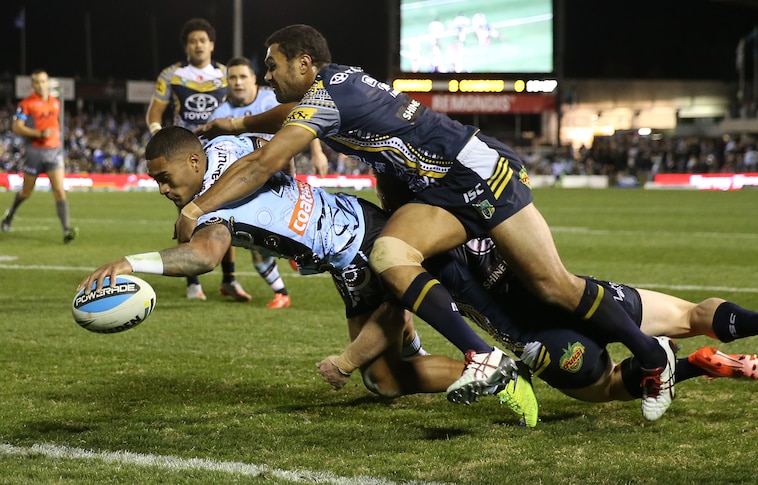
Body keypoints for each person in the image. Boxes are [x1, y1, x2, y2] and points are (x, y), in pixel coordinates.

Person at [183, 24, 676, 421]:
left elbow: (261, 164)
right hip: (443, 187)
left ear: (304, 63)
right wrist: (236, 123)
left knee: (553, 286)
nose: (268, 77)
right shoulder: (332, 85)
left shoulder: (326, 99)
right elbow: (286, 113)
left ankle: (651, 356)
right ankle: (480, 356)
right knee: (391, 252)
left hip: (475, 172)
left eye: (273, 66)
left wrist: (198, 207)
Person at [78, 126, 538, 426]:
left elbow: (204, 257)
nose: (161, 189)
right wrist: (294, 198)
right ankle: (455, 351)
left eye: (165, 177)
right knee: (385, 371)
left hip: (358, 247)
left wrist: (129, 263)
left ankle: (499, 368)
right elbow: (273, 148)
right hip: (348, 223)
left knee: (381, 377)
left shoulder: (209, 213)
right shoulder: (227, 148)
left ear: (194, 164)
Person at [423, 237, 758, 411]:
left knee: (601, 387)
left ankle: (695, 365)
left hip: (541, 336)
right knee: (690, 314)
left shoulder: (418, 241)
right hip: (582, 296)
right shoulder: (482, 200)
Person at [207, 56, 330, 309]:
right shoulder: (221, 113)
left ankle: (298, 254)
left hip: (282, 176)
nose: (238, 82)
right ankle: (282, 290)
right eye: (232, 78)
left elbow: (304, 117)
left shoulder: (271, 99)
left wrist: (317, 152)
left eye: (243, 77)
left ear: (254, 79)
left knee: (280, 234)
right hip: (249, 183)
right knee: (256, 241)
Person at [145, 17, 249, 302]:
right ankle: (192, 283)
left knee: (225, 211)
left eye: (203, 40)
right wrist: (163, 139)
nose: (198, 45)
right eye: (193, 41)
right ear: (186, 47)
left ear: (212, 45)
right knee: (187, 213)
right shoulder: (172, 75)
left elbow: (243, 106)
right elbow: (154, 114)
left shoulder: (226, 75)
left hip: (220, 151)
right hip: (184, 159)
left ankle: (229, 279)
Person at [2, 69, 78, 244]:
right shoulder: (27, 103)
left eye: (44, 81)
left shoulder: (55, 102)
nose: (41, 84)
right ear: (33, 85)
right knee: (27, 192)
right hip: (34, 153)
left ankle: (66, 229)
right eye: (37, 82)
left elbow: (55, 125)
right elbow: (16, 127)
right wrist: (38, 133)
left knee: (59, 190)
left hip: (54, 152)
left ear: (48, 82)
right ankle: (10, 215)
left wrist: (56, 140)